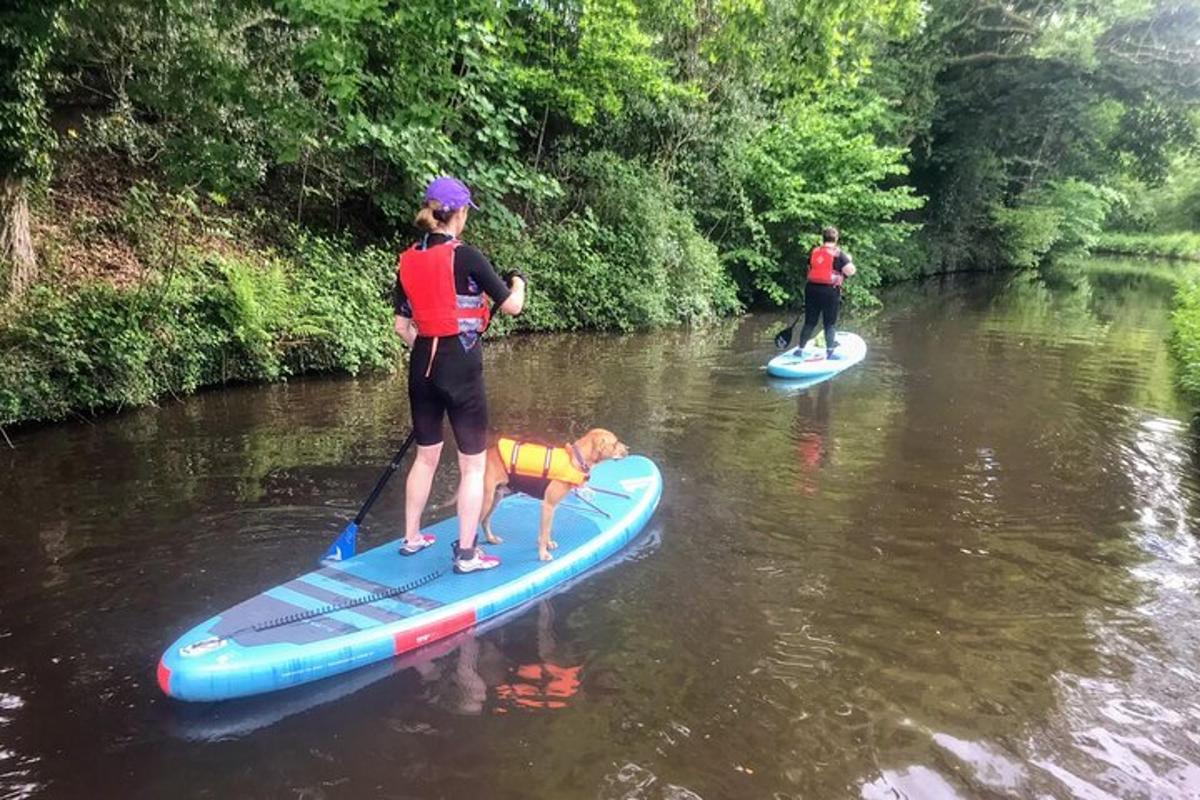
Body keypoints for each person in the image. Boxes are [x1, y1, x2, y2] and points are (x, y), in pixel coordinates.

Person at [394, 176, 526, 574]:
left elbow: (403, 328)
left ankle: (412, 538)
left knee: (426, 457)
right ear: (460, 214)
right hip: (461, 367)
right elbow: (512, 306)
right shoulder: (467, 257)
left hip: (422, 366)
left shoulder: (406, 259)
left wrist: (429, 339)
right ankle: (467, 555)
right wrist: (519, 280)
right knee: (473, 466)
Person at [795, 226, 856, 359]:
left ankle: (800, 349)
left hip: (811, 289)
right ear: (836, 239)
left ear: (823, 238)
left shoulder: (814, 252)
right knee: (829, 323)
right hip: (830, 291)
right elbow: (850, 271)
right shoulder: (839, 254)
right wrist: (849, 261)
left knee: (809, 322)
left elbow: (809, 268)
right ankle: (829, 352)